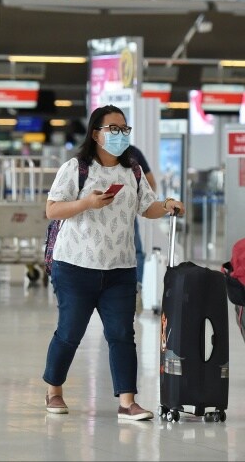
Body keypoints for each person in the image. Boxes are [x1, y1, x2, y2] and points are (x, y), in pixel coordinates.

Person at [43, 104, 185, 420]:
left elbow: (146, 208)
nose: (121, 134)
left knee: (122, 333)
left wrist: (167, 205)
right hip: (76, 266)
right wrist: (87, 203)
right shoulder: (76, 168)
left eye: (124, 129)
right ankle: (53, 390)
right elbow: (52, 210)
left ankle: (127, 401)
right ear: (96, 133)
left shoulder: (132, 171)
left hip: (120, 268)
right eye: (113, 129)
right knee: (70, 331)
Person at [128, 144, 157, 316]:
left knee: (136, 250)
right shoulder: (89, 157)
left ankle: (137, 288)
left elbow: (150, 182)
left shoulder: (133, 154)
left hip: (128, 213)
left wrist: (140, 201)